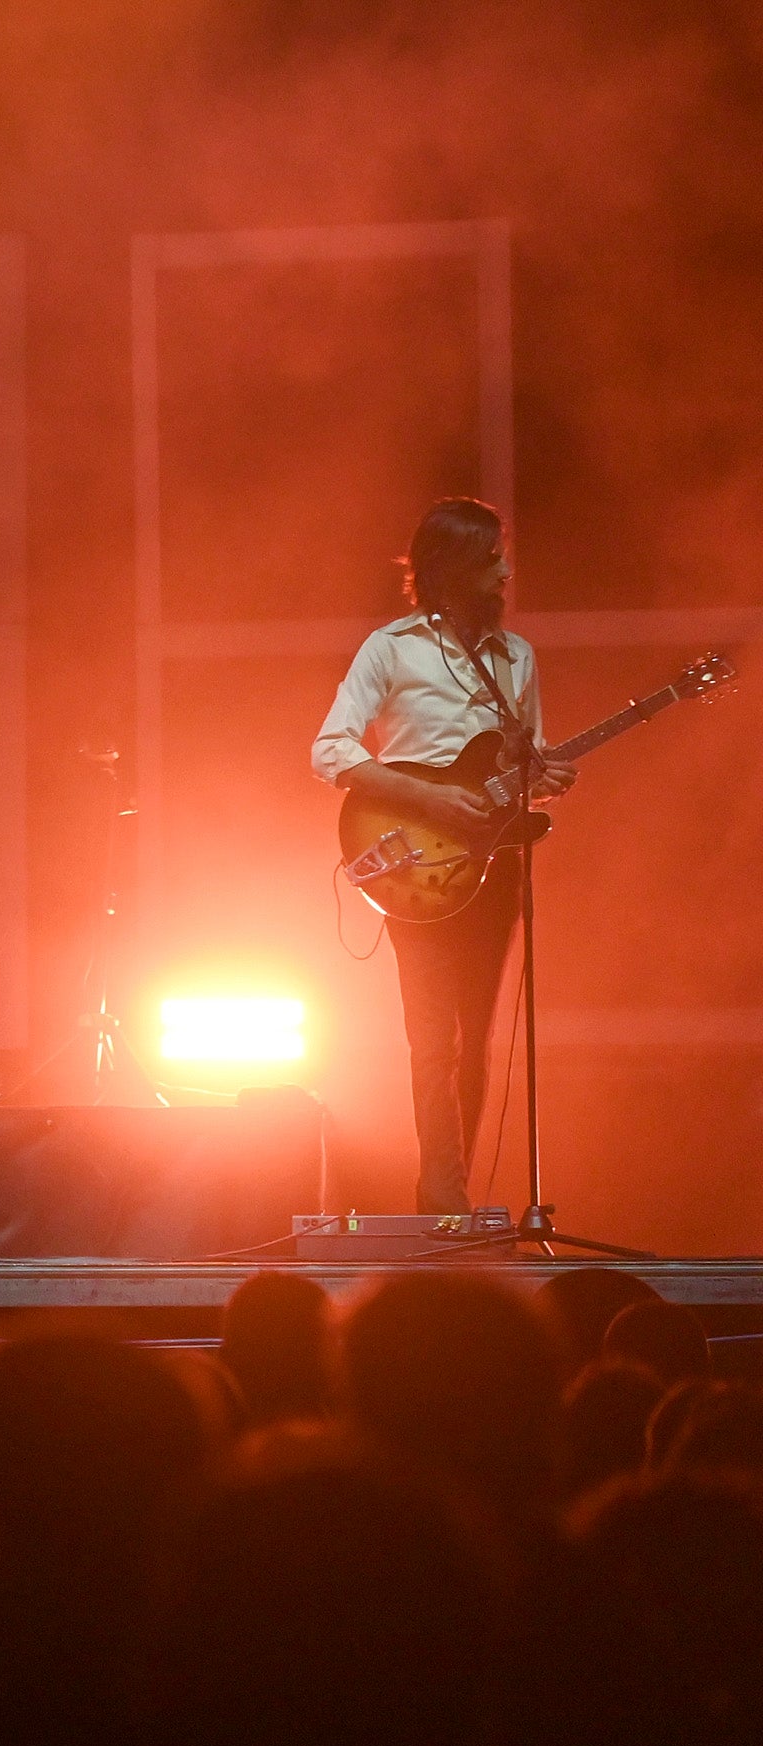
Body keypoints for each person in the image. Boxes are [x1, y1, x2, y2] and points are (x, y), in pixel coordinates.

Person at [312, 497, 571, 1216]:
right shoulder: (390, 648)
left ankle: (453, 1196)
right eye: (491, 559)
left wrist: (542, 778)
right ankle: (442, 1197)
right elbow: (330, 749)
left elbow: (521, 768)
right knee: (433, 1037)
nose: (506, 572)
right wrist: (427, 800)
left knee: (477, 1037)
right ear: (452, 569)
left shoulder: (516, 657)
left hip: (489, 866)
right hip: (412, 864)